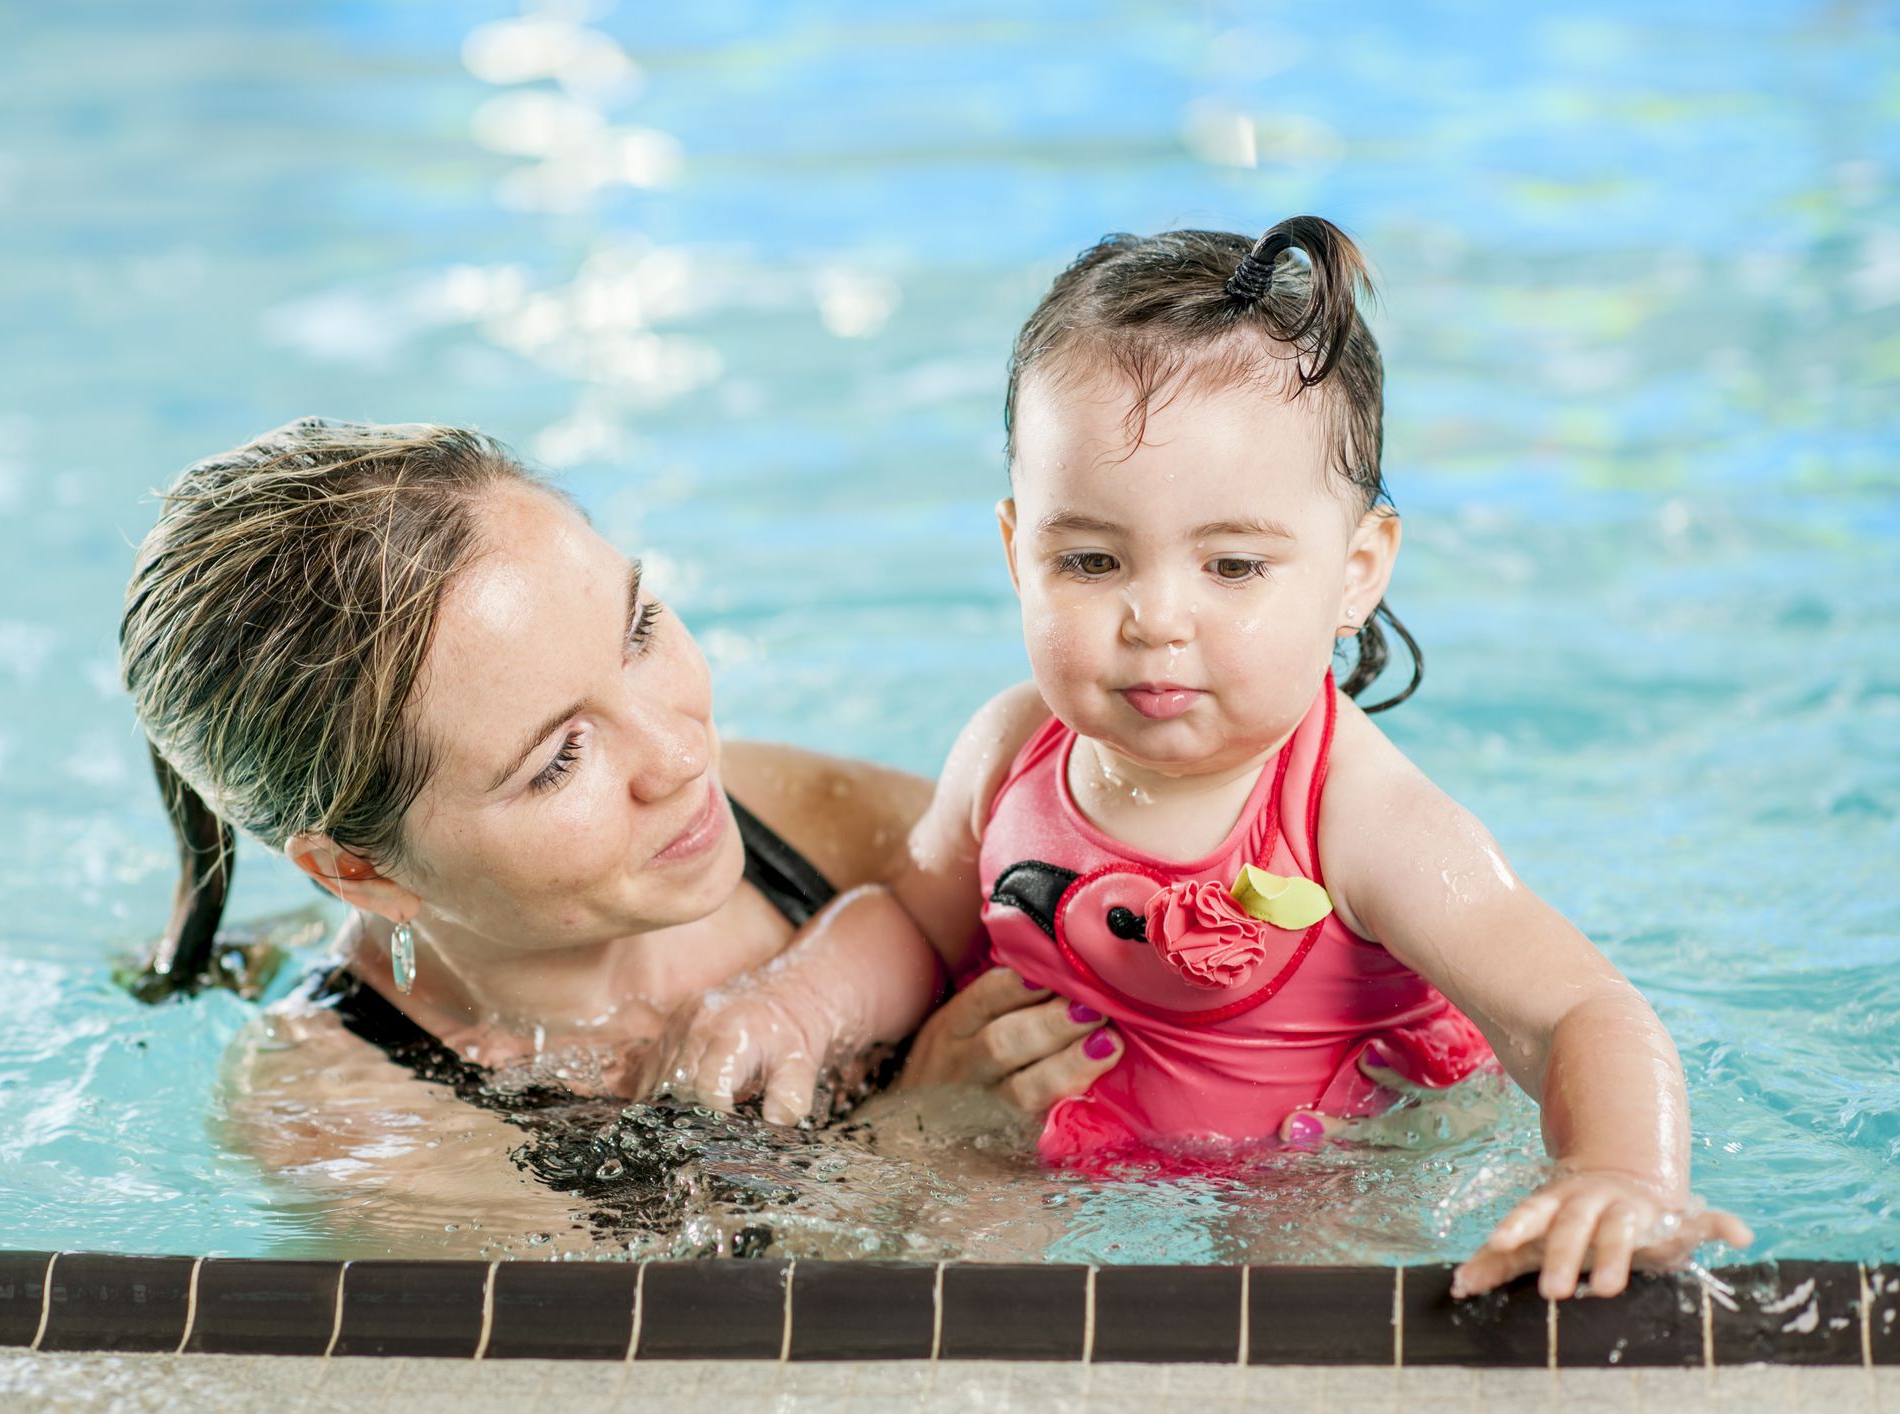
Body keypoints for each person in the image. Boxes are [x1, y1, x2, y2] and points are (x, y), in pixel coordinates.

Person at [643, 216, 1754, 1298]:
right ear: (1013, 550)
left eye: (1232, 566)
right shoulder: (1009, 744)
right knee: (928, 1264)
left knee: (1293, 1294)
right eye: (1089, 559)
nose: (1156, 618)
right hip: (1039, 1132)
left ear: (1357, 569)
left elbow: (1577, 1014)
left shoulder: (1357, 813)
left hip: (1314, 1159)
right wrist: (796, 1002)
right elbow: (915, 920)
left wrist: (1619, 1173)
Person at [117, 418, 1118, 1250]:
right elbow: (676, 1370)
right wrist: (910, 1150)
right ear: (360, 870)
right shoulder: (358, 1123)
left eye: (639, 629)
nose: (681, 759)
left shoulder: (792, 819)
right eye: (559, 759)